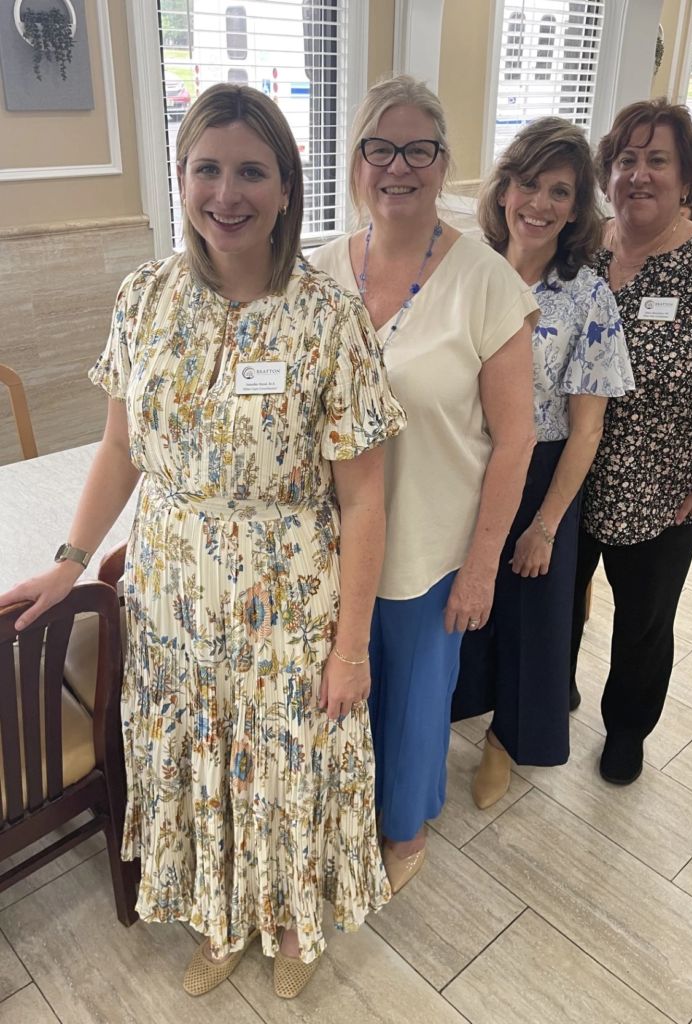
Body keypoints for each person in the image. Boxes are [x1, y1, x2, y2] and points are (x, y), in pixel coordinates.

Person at [0, 84, 407, 999]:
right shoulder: (144, 298)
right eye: (207, 169)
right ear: (180, 178)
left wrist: (350, 646)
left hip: (287, 596)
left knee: (288, 760)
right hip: (172, 593)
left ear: (287, 185)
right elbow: (120, 449)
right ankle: (220, 917)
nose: (227, 193)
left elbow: (365, 500)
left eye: (251, 171)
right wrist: (70, 563)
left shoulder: (328, 318)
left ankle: (293, 921)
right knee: (200, 758)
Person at [310, 75, 538, 890]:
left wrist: (482, 566)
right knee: (335, 692)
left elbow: (514, 441)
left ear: (444, 165)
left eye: (418, 150)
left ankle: (403, 831)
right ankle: (340, 813)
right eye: (379, 148)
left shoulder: (486, 283)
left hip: (429, 547)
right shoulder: (318, 269)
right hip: (325, 543)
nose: (396, 166)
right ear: (355, 161)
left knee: (410, 703)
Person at [571, 97, 692, 785]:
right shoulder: (582, 249)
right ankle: (551, 690)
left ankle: (626, 727)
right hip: (567, 477)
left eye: (658, 160)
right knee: (559, 599)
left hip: (665, 489)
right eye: (626, 160)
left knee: (643, 620)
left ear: (686, 180)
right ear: (607, 174)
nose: (639, 174)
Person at [452, 119, 634, 807]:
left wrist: (546, 526)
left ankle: (506, 739)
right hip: (459, 463)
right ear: (504, 189)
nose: (540, 202)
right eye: (528, 183)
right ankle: (455, 705)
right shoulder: (463, 271)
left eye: (560, 191)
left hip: (538, 472)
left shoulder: (587, 296)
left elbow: (587, 429)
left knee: (530, 617)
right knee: (460, 601)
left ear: (577, 207)